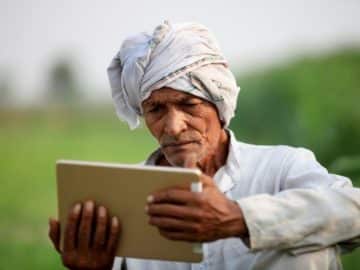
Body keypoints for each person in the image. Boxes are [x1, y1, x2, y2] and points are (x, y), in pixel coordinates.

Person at [48, 21, 360, 270]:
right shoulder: (125, 197)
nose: (172, 126)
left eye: (188, 104)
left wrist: (238, 218)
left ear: (219, 103)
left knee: (308, 248)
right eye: (156, 110)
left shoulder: (281, 168)